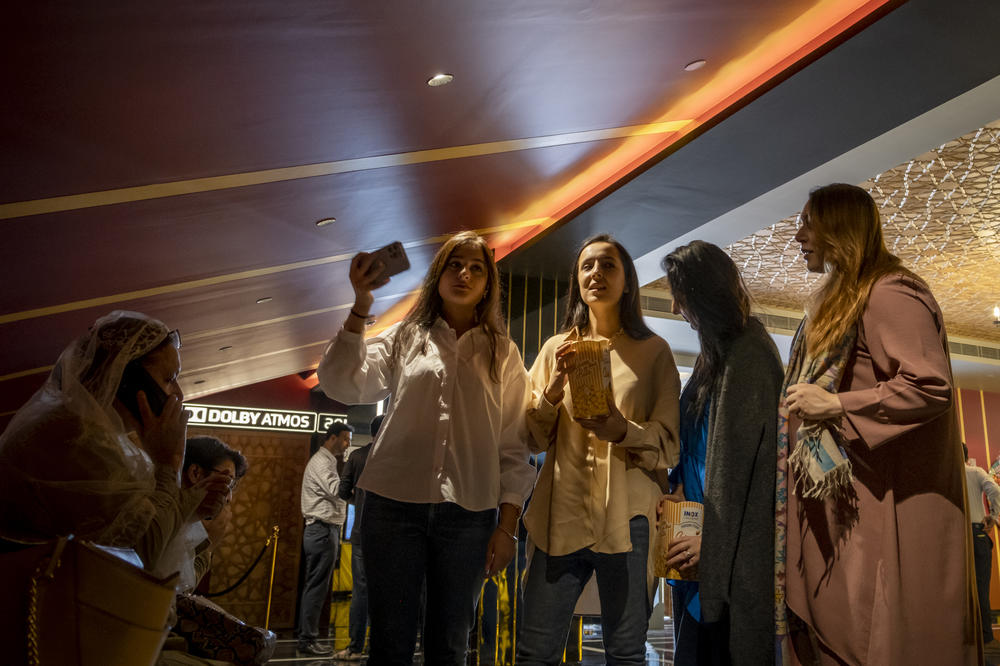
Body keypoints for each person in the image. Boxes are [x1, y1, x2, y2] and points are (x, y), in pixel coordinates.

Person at [778, 183, 980, 664]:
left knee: (880, 637)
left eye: (808, 221)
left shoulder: (888, 291)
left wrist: (837, 406)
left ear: (837, 226)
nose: (798, 235)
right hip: (848, 506)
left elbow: (930, 386)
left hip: (885, 509)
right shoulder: (839, 300)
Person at [317, 231, 535, 666]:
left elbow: (514, 448)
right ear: (438, 274)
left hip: (469, 515)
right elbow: (342, 382)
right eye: (455, 264)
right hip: (391, 506)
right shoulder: (405, 336)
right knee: (390, 644)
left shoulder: (503, 353)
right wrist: (362, 304)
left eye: (476, 268)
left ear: (488, 284)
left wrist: (507, 528)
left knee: (451, 645)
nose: (464, 273)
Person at [517, 234, 680, 665]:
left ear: (627, 282)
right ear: (577, 279)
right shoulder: (556, 350)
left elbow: (668, 445)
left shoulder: (654, 353)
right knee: (535, 651)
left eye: (608, 265)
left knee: (626, 652)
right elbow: (530, 439)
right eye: (587, 266)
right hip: (559, 515)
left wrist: (620, 429)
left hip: (628, 518)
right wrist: (551, 393)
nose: (596, 274)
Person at [0, 310, 229, 569]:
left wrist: (190, 506)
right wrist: (169, 461)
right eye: (169, 379)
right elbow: (140, 556)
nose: (178, 394)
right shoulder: (78, 439)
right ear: (127, 377)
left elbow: (137, 522)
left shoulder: (90, 428)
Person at [657, 241, 782, 665]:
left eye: (682, 296)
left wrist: (712, 539)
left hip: (728, 562)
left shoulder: (750, 354)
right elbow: (696, 449)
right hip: (698, 556)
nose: (676, 309)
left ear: (704, 295)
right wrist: (675, 490)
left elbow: (754, 476)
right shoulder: (715, 357)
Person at [296, 422, 353, 657]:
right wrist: (354, 472)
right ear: (332, 438)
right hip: (321, 530)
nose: (348, 443)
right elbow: (338, 490)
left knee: (317, 586)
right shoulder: (322, 462)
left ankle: (308, 638)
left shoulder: (328, 461)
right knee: (316, 587)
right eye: (345, 438)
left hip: (324, 530)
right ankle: (307, 640)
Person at [334, 414, 383, 661]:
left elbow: (343, 491)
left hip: (361, 533)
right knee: (385, 591)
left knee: (360, 591)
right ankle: (380, 646)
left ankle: (354, 647)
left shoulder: (356, 456)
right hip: (390, 536)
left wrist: (359, 500)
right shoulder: (391, 457)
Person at [965, 443, 1000, 646]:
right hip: (977, 532)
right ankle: (986, 637)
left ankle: (964, 640)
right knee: (981, 587)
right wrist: (993, 516)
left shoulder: (948, 476)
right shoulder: (976, 471)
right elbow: (995, 491)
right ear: (968, 457)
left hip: (955, 536)